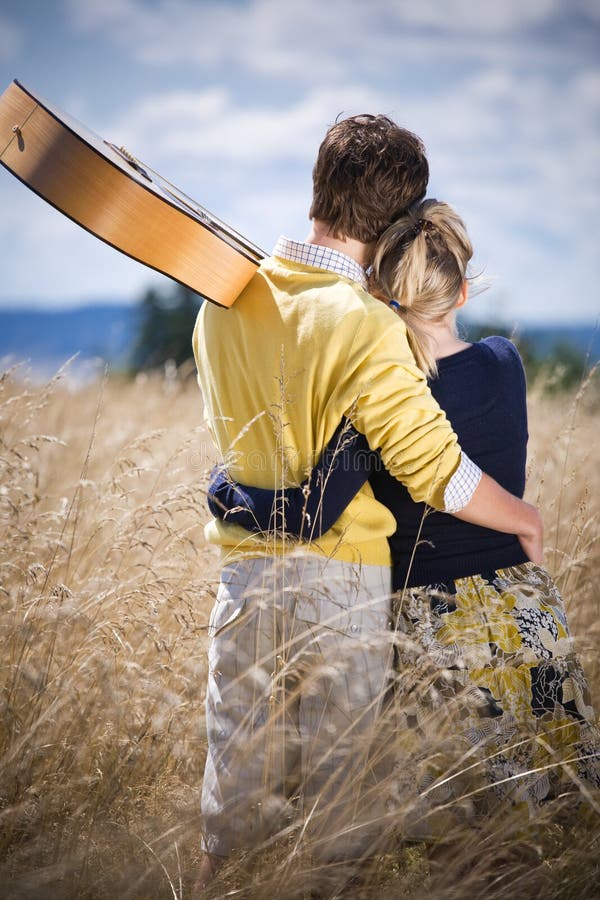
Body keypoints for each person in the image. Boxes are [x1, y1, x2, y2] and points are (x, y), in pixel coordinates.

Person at [192, 117, 542, 891]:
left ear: (318, 185)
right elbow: (434, 471)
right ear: (393, 225)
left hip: (243, 583)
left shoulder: (224, 299)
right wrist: (523, 516)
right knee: (336, 826)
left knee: (230, 812)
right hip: (339, 591)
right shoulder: (366, 324)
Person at [209, 198, 600, 843]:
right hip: (523, 605)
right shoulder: (506, 361)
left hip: (425, 621)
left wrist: (224, 493)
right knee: (552, 815)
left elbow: (312, 508)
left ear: (379, 292)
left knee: (450, 834)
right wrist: (525, 518)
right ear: (464, 291)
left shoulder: (382, 383)